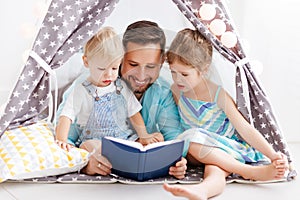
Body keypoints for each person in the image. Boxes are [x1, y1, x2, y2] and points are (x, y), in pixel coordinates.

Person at [163, 28, 289, 200]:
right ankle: (220, 183)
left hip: (224, 150)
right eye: (173, 72)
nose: (178, 79)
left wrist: (272, 154)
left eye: (184, 74)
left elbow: (244, 128)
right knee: (194, 145)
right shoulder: (176, 92)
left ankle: (232, 178)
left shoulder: (218, 95)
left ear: (204, 69)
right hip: (195, 150)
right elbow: (175, 127)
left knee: (210, 165)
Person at [56, 21, 187, 179]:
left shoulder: (163, 92)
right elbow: (64, 138)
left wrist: (177, 161)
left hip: (130, 146)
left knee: (158, 138)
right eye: (133, 64)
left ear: (161, 62)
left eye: (151, 66)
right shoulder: (89, 84)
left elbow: (175, 138)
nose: (141, 75)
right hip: (96, 145)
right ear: (120, 58)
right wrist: (84, 164)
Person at [55, 26, 163, 151]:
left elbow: (134, 113)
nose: (109, 74)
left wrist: (143, 135)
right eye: (101, 69)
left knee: (155, 139)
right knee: (88, 146)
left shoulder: (120, 87)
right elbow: (66, 116)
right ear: (86, 62)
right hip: (95, 139)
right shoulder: (81, 90)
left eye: (114, 68)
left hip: (124, 138)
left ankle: (132, 158)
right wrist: (61, 140)